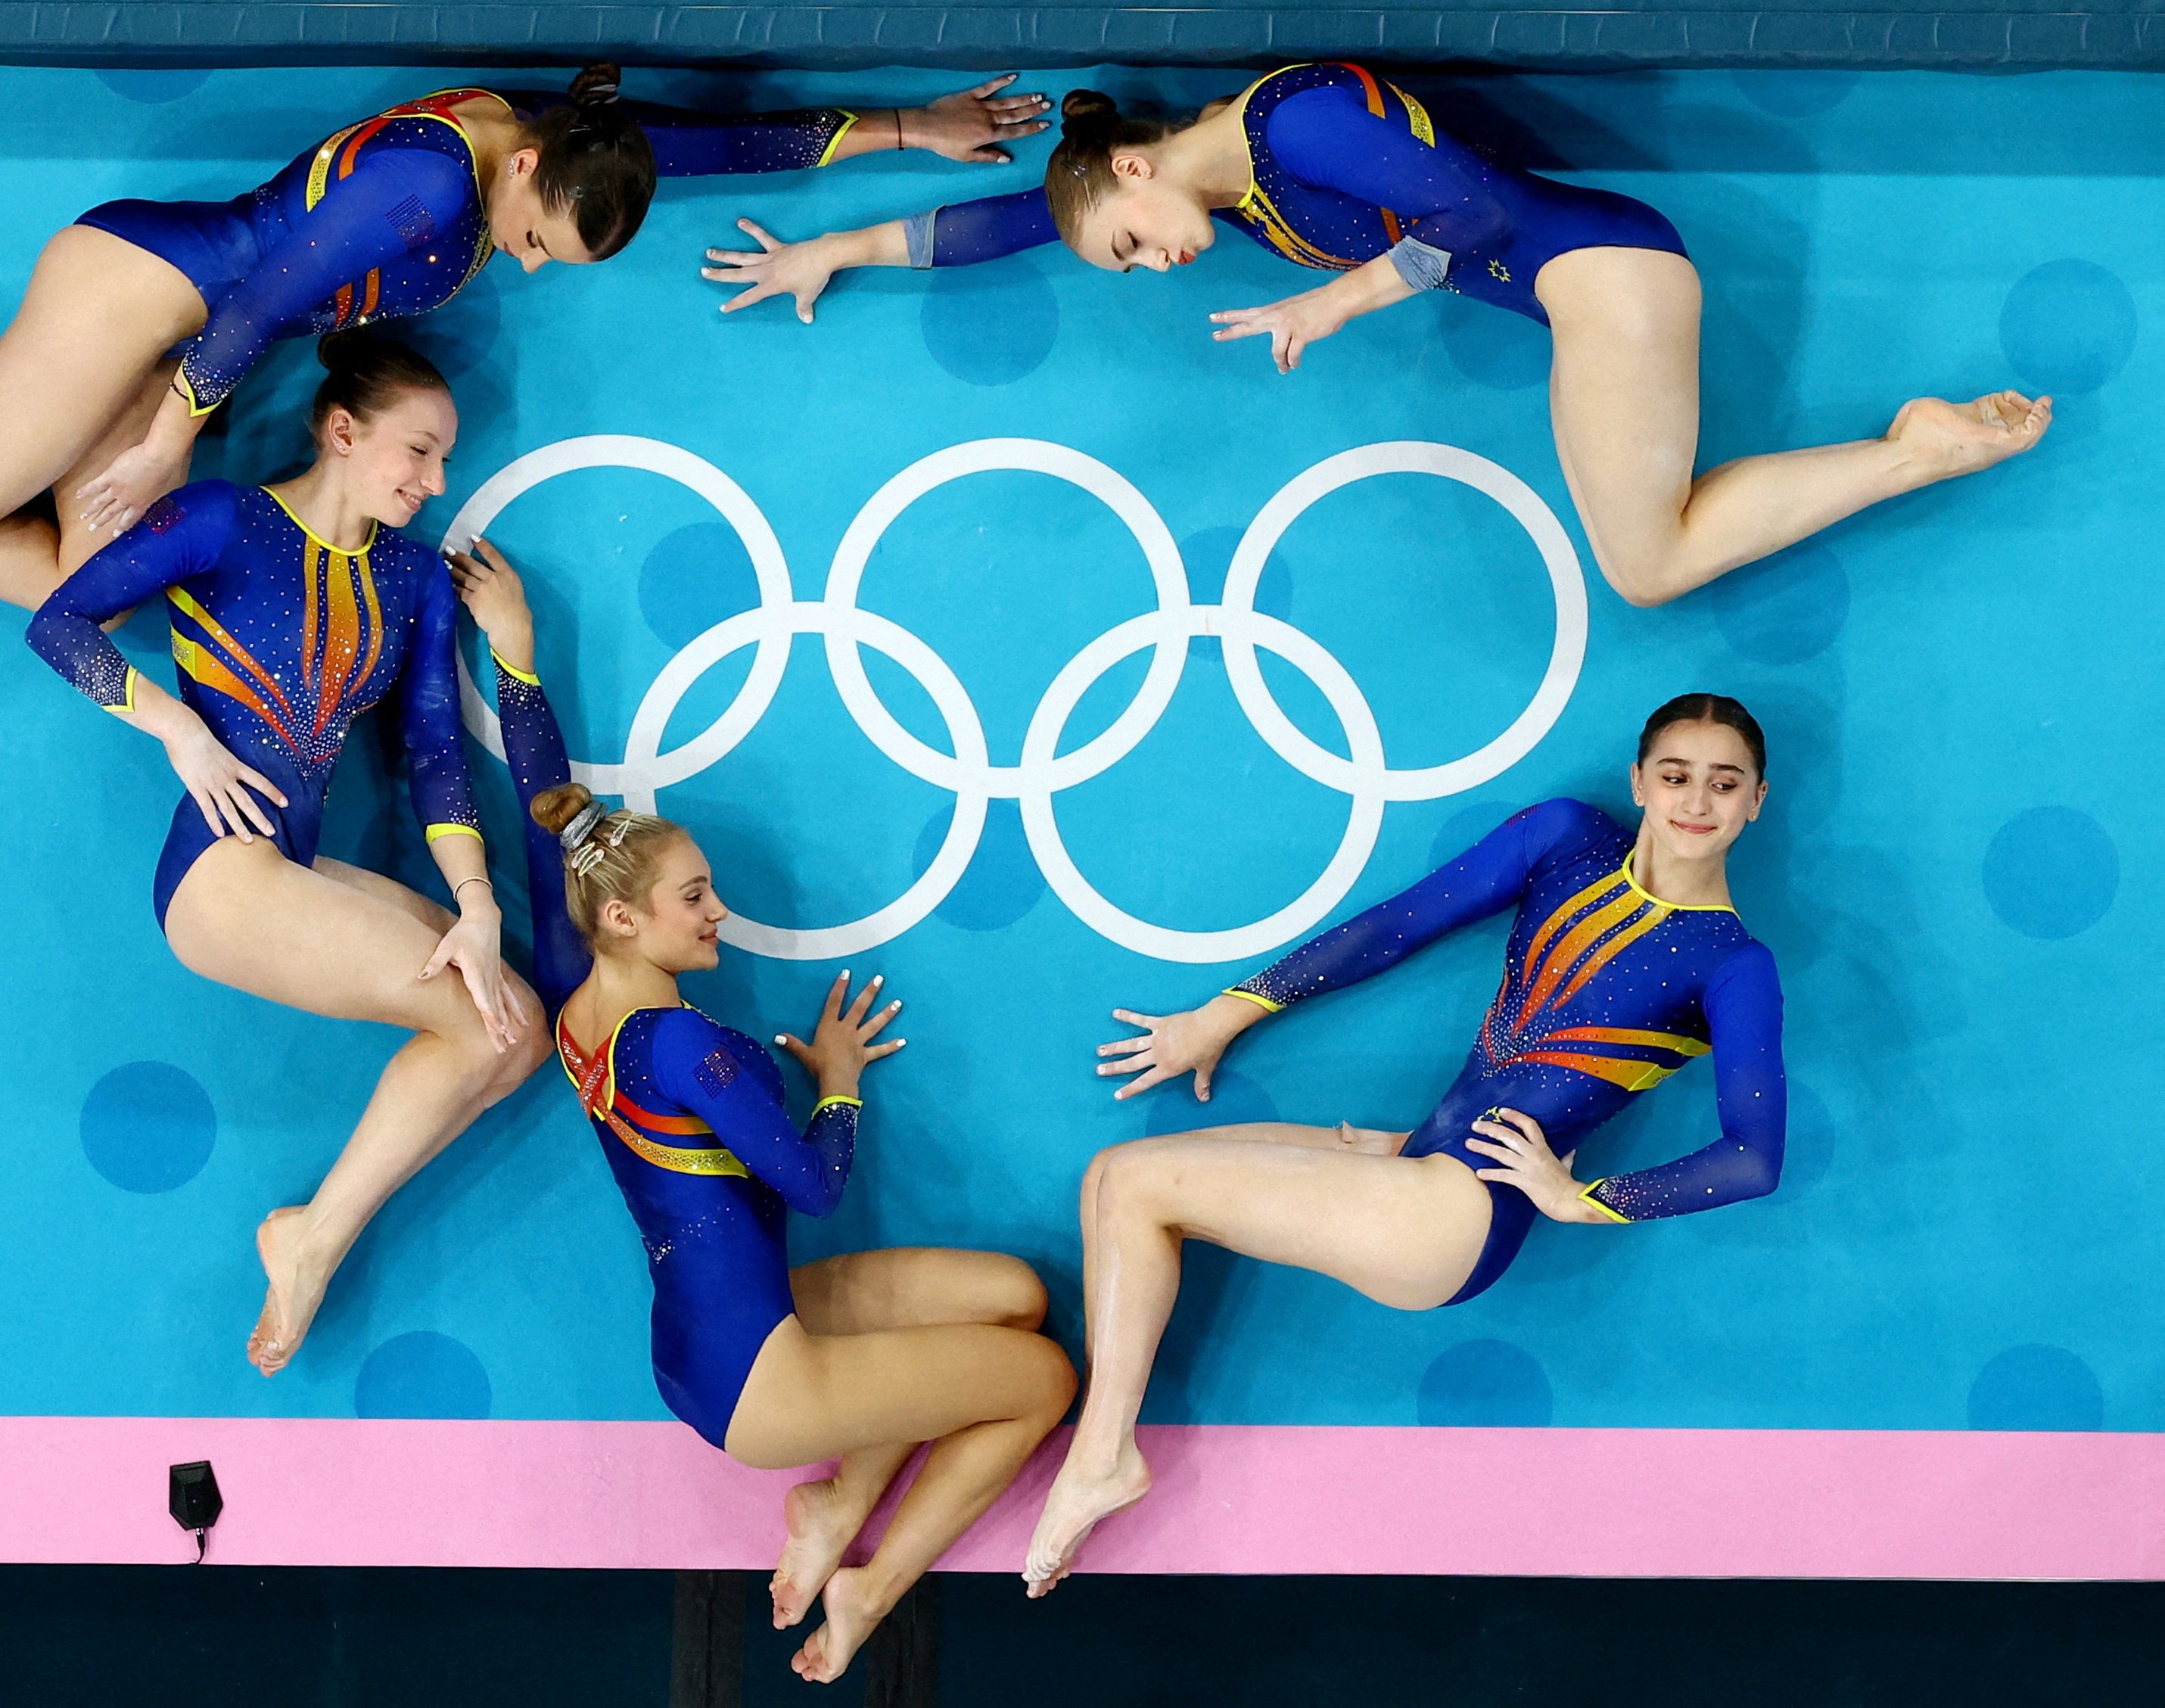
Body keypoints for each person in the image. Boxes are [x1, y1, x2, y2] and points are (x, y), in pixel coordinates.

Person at [0, 70, 1048, 607]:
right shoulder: (426, 181)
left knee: (84, 584)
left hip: (188, 340)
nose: (529, 268)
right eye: (534, 247)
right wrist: (168, 442)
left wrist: (908, 130)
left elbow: (721, 142)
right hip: (150, 290)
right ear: (518, 182)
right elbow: (269, 300)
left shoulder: (569, 148)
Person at [704, 64, 2049, 606]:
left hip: (1601, 275)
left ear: (1127, 172)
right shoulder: (1221, 191)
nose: (1148, 269)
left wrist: (1332, 301)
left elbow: (1478, 207)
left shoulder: (1284, 122)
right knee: (1653, 552)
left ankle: (1915, 452)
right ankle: (1909, 451)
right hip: (1585, 296)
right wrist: (839, 247)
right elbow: (1011, 225)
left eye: (1128, 247)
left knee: (1646, 565)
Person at [449, 537, 1075, 1683]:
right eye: (696, 897)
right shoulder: (677, 1039)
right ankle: (870, 1585)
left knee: (1015, 1298)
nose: (718, 914)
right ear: (628, 920)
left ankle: (836, 1504)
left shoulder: (574, 977)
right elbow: (815, 1183)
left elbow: (550, 821)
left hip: (721, 1329)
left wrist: (517, 656)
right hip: (758, 1379)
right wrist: (836, 1075)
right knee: (1043, 1382)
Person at [1021, 692, 1787, 1594]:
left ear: (1754, 802)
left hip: (1454, 1219)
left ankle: (1103, 1456)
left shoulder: (1734, 964)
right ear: (1640, 781)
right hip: (1419, 1166)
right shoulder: (1568, 840)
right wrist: (1223, 1017)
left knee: (1142, 1188)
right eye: (1677, 775)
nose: (1697, 800)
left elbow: (1754, 1157)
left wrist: (1581, 1199)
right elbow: (1399, 925)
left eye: (1724, 783)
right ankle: (1103, 1454)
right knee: (1115, 1179)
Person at [23, 334, 541, 1377]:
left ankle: (312, 1230)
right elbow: (60, 622)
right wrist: (178, 731)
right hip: (219, 873)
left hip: (289, 869)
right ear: (343, 431)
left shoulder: (410, 580)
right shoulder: (225, 519)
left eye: (445, 462)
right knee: (474, 1022)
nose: (436, 482)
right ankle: (312, 1237)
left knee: (520, 1034)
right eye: (420, 452)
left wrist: (477, 904)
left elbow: (436, 757)